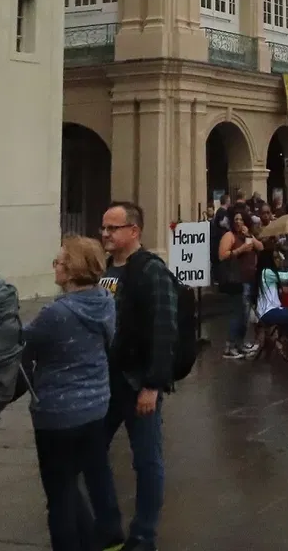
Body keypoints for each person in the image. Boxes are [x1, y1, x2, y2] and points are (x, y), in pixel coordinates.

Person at [22, 236, 118, 551]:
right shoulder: (106, 301)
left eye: (59, 261)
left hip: (57, 413)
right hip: (95, 406)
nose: (55, 266)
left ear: (73, 269)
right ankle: (93, 540)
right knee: (86, 476)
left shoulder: (57, 313)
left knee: (59, 494)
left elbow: (24, 343)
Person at [95, 201, 176, 551]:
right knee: (91, 452)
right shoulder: (105, 270)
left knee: (146, 458)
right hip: (103, 379)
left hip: (136, 379)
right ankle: (108, 524)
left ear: (134, 231)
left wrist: (153, 384)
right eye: (104, 227)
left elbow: (164, 328)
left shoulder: (150, 271)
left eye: (113, 228)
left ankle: (144, 534)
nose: (105, 234)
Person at [216, 208, 261, 359]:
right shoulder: (229, 236)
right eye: (235, 219)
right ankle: (230, 346)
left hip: (249, 280)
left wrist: (249, 235)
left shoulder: (247, 235)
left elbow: (260, 247)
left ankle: (240, 344)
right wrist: (240, 250)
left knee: (245, 315)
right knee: (238, 313)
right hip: (237, 281)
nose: (238, 222)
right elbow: (222, 255)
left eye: (241, 219)